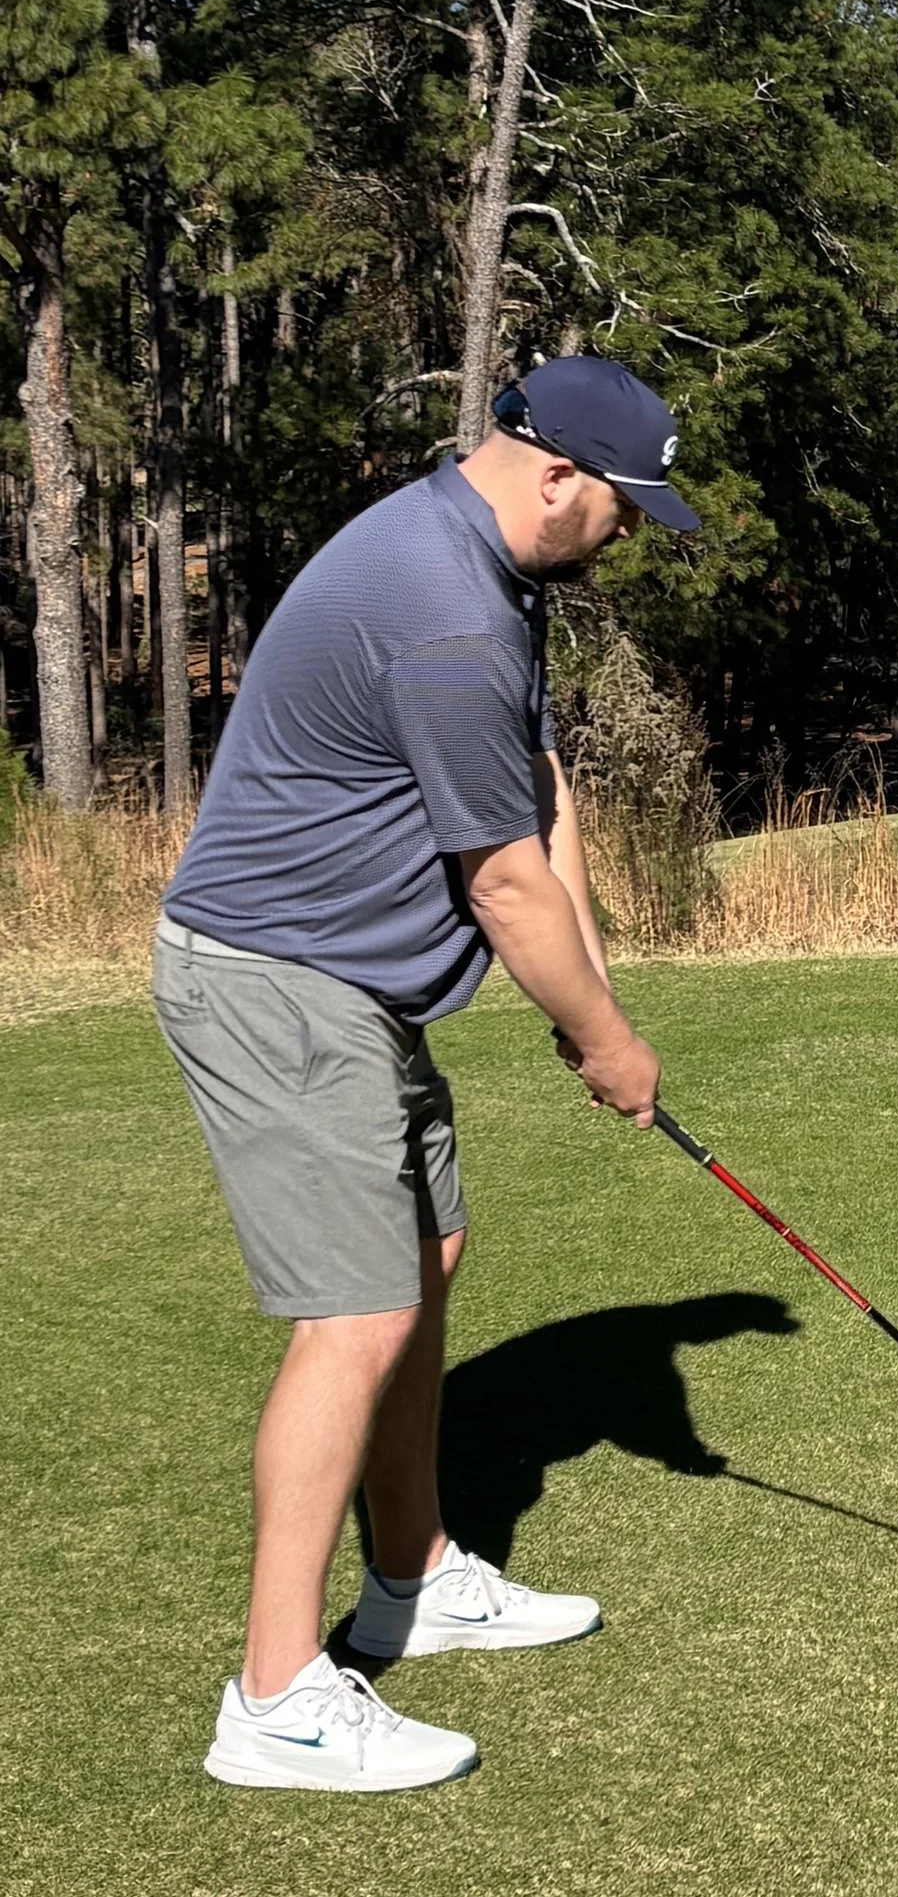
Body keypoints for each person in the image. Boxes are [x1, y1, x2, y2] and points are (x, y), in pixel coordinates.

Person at [154, 358, 700, 1793]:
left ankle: (411, 1578)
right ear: (557, 472)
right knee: (357, 1310)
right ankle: (273, 1698)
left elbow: (540, 793)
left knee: (426, 1250)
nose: (632, 534)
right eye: (628, 507)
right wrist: (600, 1040)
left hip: (352, 986)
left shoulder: (485, 566)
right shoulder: (447, 603)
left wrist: (599, 1003)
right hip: (277, 980)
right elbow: (505, 887)